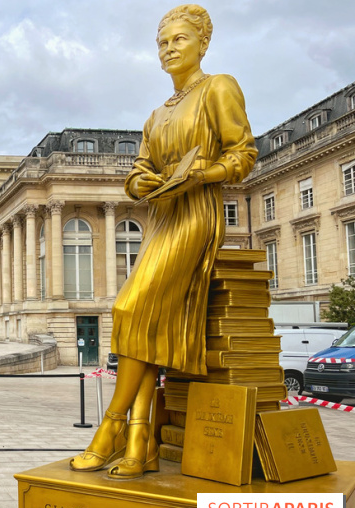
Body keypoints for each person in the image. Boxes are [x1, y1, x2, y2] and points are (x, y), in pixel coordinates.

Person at [69, 4, 257, 480]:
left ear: (202, 44)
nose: (168, 49)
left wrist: (206, 173)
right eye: (162, 43)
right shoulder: (156, 115)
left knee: (129, 308)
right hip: (162, 217)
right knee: (147, 325)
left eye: (179, 40)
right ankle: (139, 443)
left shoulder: (219, 87)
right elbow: (139, 170)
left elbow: (244, 154)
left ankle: (109, 428)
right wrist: (141, 185)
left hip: (197, 214)